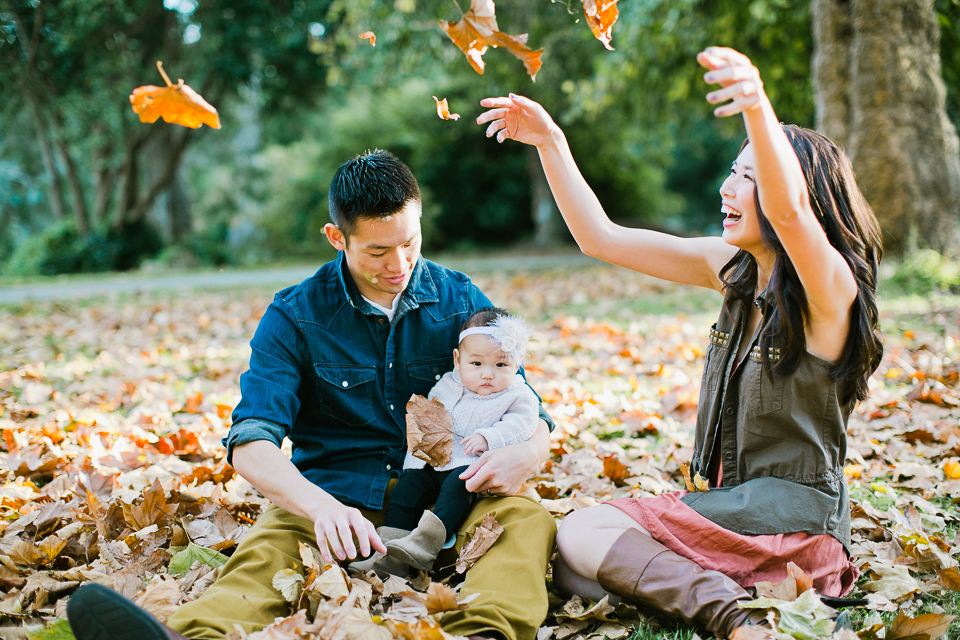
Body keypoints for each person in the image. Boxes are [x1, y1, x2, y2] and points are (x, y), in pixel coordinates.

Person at [66, 150, 557, 640]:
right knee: (268, 550)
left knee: (525, 523)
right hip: (334, 493)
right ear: (336, 238)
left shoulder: (461, 300)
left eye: (409, 243)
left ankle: (486, 635)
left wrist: (529, 452)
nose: (399, 265)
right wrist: (318, 507)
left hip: (453, 490)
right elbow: (251, 442)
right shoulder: (294, 315)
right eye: (378, 252)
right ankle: (195, 637)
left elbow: (531, 406)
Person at [476, 47, 883, 638]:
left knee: (583, 534)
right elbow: (601, 238)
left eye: (748, 177)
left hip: (792, 527)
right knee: (575, 570)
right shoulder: (738, 269)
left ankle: (738, 622)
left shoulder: (829, 291)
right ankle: (745, 597)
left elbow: (792, 214)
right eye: (734, 171)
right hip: (740, 517)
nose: (728, 187)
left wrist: (755, 104)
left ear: (795, 192)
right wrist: (551, 144)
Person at [360, 307, 540, 576]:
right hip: (433, 462)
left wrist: (489, 437)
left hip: (470, 466)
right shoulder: (447, 383)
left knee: (456, 491)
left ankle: (424, 547)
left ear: (517, 363)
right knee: (406, 491)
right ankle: (388, 550)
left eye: (501, 364)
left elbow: (523, 424)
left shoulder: (517, 393)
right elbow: (433, 415)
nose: (487, 374)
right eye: (476, 364)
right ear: (458, 359)